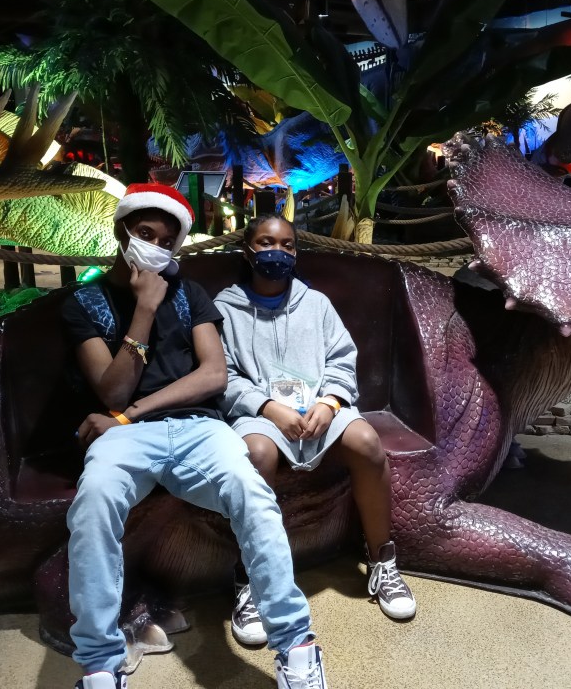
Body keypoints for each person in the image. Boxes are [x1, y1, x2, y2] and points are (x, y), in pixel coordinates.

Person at [61, 185, 329, 689]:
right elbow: (112, 390)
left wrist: (129, 414)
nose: (155, 247)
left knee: (252, 492)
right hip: (125, 438)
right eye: (145, 234)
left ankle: (296, 645)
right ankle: (100, 666)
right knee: (93, 502)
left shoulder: (190, 295)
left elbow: (213, 375)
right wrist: (143, 310)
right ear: (122, 231)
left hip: (197, 428)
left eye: (167, 241)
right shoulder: (86, 302)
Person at [214, 214, 417, 647]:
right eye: (266, 242)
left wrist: (330, 402)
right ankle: (251, 579)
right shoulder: (225, 309)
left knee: (366, 441)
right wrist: (268, 408)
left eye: (287, 245)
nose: (277, 252)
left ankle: (383, 560)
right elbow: (223, 375)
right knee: (256, 454)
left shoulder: (316, 304)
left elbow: (342, 359)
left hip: (319, 406)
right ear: (248, 251)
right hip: (261, 412)